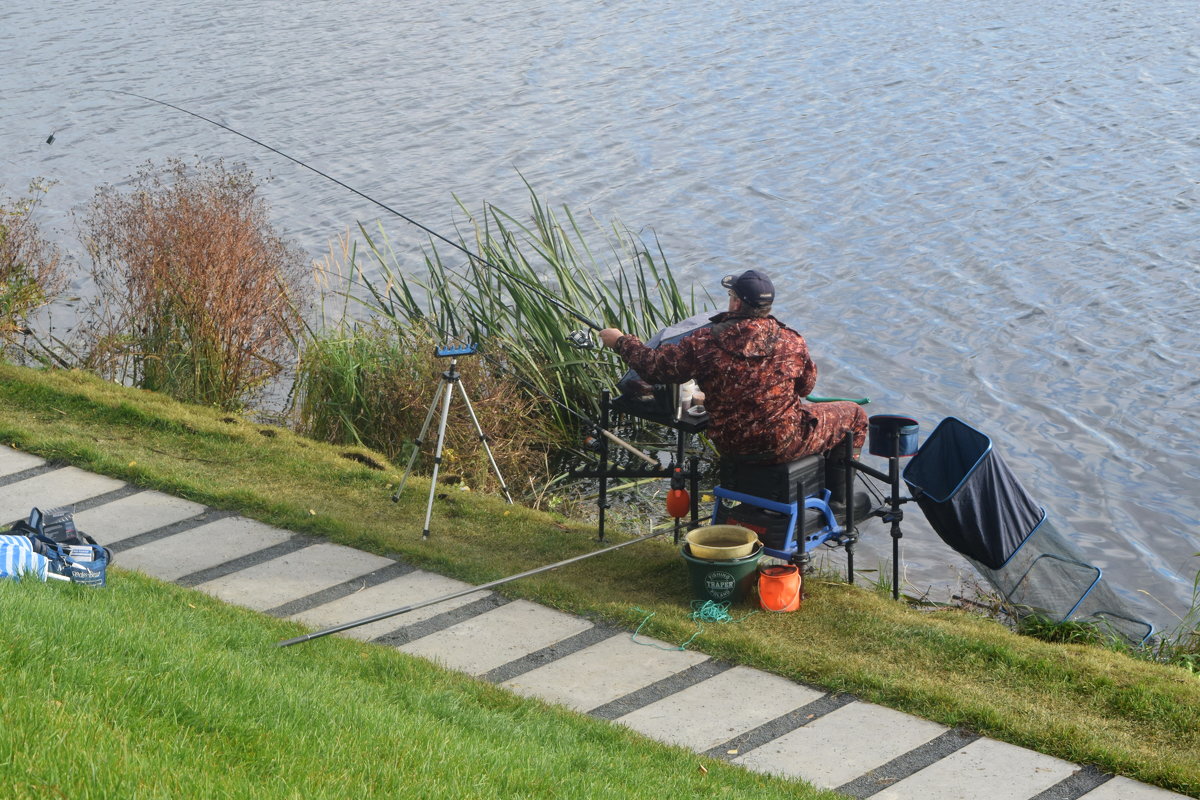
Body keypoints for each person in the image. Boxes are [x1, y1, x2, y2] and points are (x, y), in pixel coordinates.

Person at [599, 269, 867, 482]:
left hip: (731, 444)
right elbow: (806, 387)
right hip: (784, 442)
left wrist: (621, 341)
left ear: (736, 302)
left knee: (845, 414)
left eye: (731, 295)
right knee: (855, 415)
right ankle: (840, 503)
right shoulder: (792, 342)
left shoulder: (704, 341)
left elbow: (655, 368)